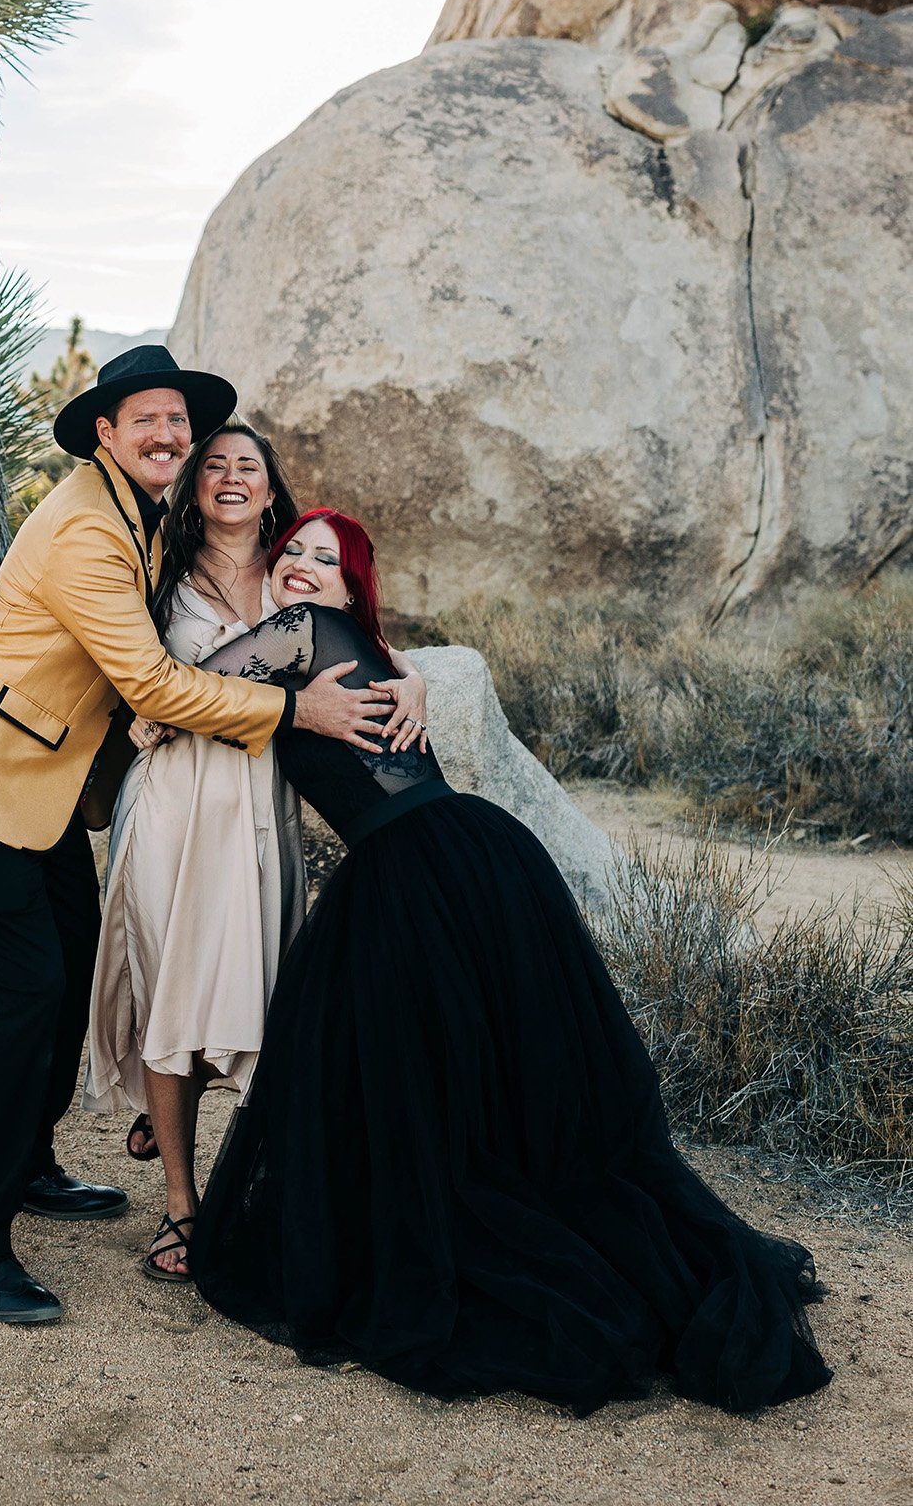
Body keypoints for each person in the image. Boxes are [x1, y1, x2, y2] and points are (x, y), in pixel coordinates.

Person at [187, 509, 833, 1415]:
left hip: (417, 866)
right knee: (471, 1073)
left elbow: (180, 684)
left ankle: (431, 1243)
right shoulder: (361, 645)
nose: (299, 565)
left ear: (351, 584)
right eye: (291, 550)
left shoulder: (300, 632)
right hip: (468, 857)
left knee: (410, 1069)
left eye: (323, 560)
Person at [0, 348, 391, 1327]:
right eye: (143, 419)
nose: (165, 434)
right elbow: (154, 682)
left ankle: (27, 1163)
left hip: (36, 780)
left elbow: (288, 590)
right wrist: (295, 715)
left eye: (175, 420)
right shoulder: (85, 528)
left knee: (69, 964)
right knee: (22, 987)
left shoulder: (141, 507)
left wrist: (392, 670)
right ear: (104, 433)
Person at [82, 427, 430, 1280]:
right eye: (215, 466)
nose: (232, 477)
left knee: (252, 987)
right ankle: (181, 1202)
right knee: (171, 985)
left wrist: (412, 674)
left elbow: (346, 627)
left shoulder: (289, 569)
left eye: (250, 467)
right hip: (173, 797)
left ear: (272, 491)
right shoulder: (155, 565)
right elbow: (88, 639)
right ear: (194, 487)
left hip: (259, 808)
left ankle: (227, 1156)